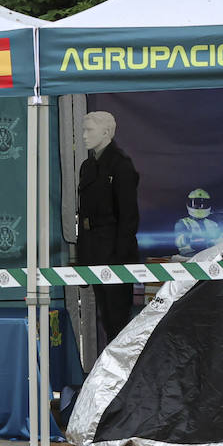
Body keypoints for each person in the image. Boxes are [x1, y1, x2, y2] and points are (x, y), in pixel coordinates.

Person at [76, 111, 140, 346]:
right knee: (106, 319)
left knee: (117, 321)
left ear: (106, 132)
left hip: (113, 253)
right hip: (93, 249)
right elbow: (84, 216)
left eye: (89, 130)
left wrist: (119, 260)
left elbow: (128, 218)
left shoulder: (121, 166)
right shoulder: (87, 166)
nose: (84, 136)